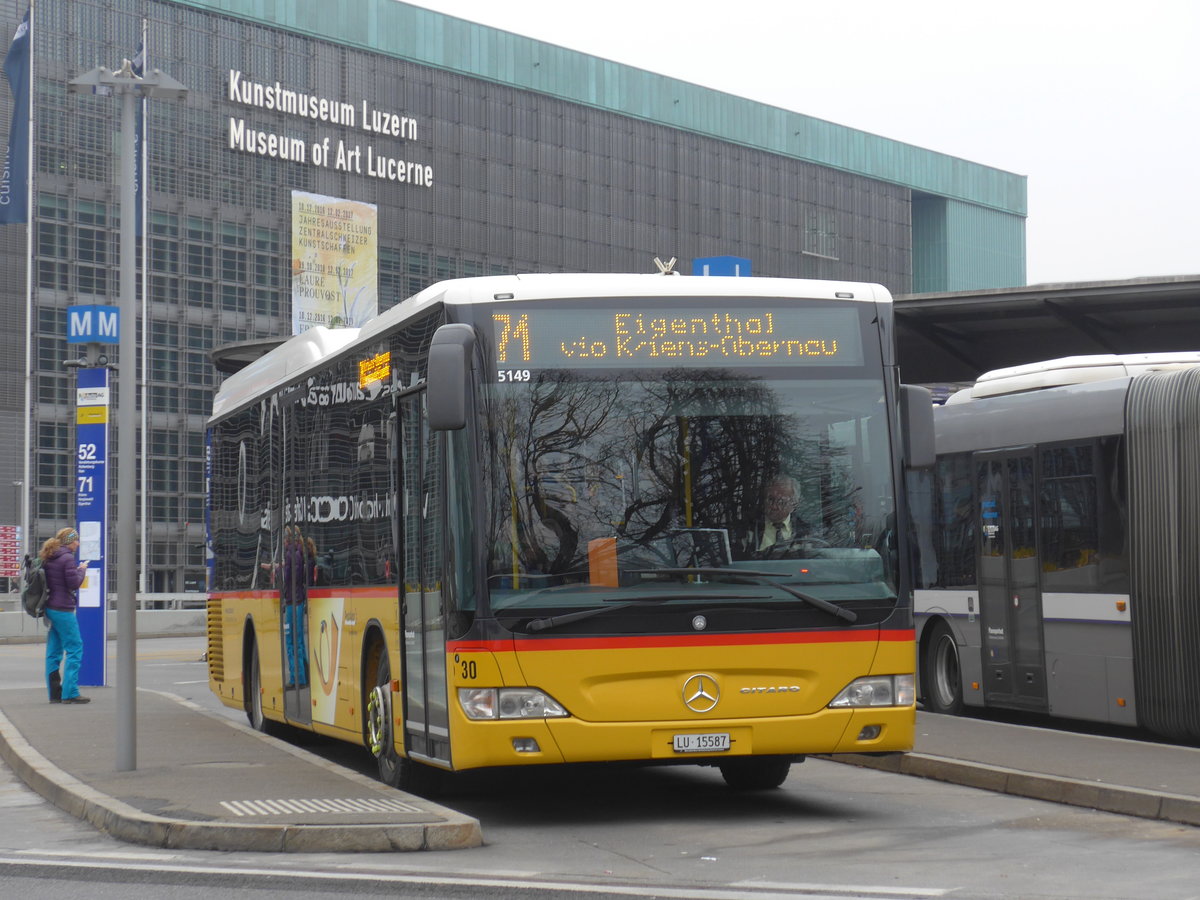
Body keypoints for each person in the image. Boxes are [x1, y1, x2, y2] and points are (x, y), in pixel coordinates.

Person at [42, 527, 90, 704]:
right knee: (75, 648)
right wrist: (82, 569)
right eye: (76, 540)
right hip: (63, 609)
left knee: (54, 652)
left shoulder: (49, 556)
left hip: (50, 608)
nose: (78, 543)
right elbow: (74, 583)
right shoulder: (67, 558)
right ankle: (70, 693)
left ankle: (54, 694)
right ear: (69, 541)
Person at [734, 474, 812, 558]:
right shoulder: (747, 528)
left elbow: (813, 562)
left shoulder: (806, 532)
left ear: (794, 504)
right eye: (771, 499)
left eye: (781, 502)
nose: (774, 506)